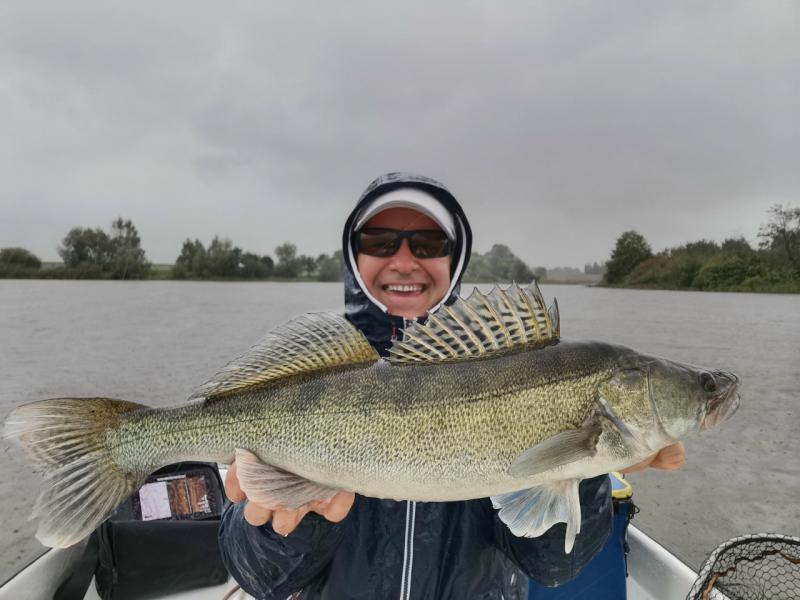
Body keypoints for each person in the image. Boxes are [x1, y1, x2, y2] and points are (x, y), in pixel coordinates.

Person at [218, 172, 684, 599]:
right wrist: (295, 525)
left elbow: (553, 566)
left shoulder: (519, 364)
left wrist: (580, 470)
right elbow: (260, 579)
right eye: (379, 241)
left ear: (454, 258)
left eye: (428, 243)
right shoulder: (318, 370)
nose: (404, 261)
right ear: (353, 256)